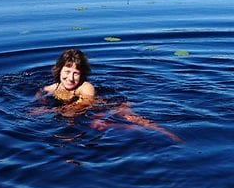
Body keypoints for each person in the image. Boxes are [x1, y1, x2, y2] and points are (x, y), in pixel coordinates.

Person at [35, 48, 182, 142]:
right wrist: (38, 108)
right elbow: (37, 101)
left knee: (135, 120)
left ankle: (165, 133)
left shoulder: (86, 88)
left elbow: (81, 106)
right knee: (97, 125)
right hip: (86, 113)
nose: (71, 78)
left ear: (82, 75)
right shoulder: (49, 88)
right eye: (67, 72)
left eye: (76, 74)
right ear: (59, 70)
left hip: (107, 107)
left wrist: (52, 111)